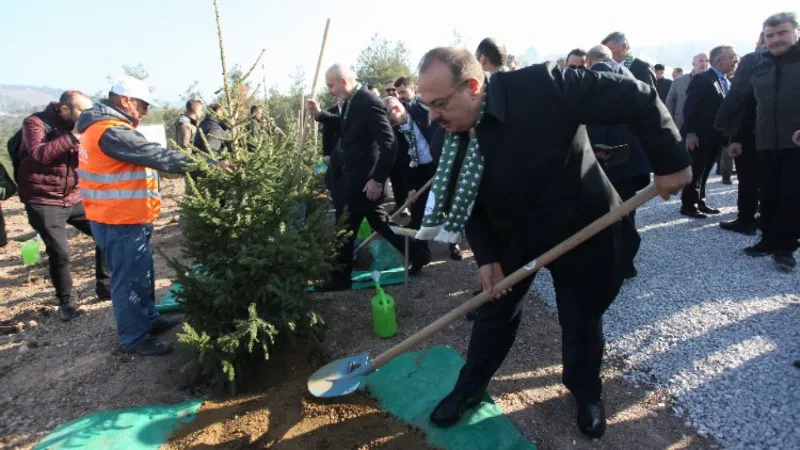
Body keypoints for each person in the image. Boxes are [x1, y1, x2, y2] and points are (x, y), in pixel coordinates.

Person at [415, 47, 691, 439]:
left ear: (473, 87)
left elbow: (637, 97)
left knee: (580, 317)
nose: (432, 116)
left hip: (581, 226)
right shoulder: (448, 129)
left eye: (439, 104)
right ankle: (470, 388)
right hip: (513, 234)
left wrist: (671, 161)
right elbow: (468, 196)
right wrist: (488, 258)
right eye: (427, 105)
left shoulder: (543, 87)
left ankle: (585, 393)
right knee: (494, 313)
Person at [76, 77, 228, 355]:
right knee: (128, 281)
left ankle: (148, 319)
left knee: (142, 273)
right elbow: (159, 156)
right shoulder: (110, 132)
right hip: (117, 220)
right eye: (143, 105)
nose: (145, 112)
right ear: (125, 100)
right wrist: (212, 165)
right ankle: (134, 338)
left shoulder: (106, 128)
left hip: (127, 217)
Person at [306, 64, 429, 291]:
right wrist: (320, 115)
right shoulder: (353, 101)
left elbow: (389, 144)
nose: (330, 90)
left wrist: (378, 179)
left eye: (331, 85)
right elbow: (345, 125)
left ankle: (340, 278)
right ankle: (419, 253)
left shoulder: (368, 102)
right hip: (357, 183)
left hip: (363, 184)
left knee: (343, 229)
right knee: (381, 224)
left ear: (343, 82)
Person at [18, 91, 111, 321]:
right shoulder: (35, 123)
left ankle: (105, 285)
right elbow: (39, 153)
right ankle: (66, 302)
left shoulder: (81, 126)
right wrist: (74, 135)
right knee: (60, 252)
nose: (85, 115)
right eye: (81, 111)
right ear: (64, 108)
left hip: (74, 196)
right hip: (43, 199)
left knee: (107, 230)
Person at [729, 12, 800, 272]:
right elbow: (750, 108)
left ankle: (785, 248)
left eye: (782, 33)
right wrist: (738, 139)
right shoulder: (760, 66)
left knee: (792, 198)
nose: (775, 39)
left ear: (796, 33)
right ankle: (768, 240)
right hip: (765, 143)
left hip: (796, 147)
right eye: (770, 35)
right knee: (767, 195)